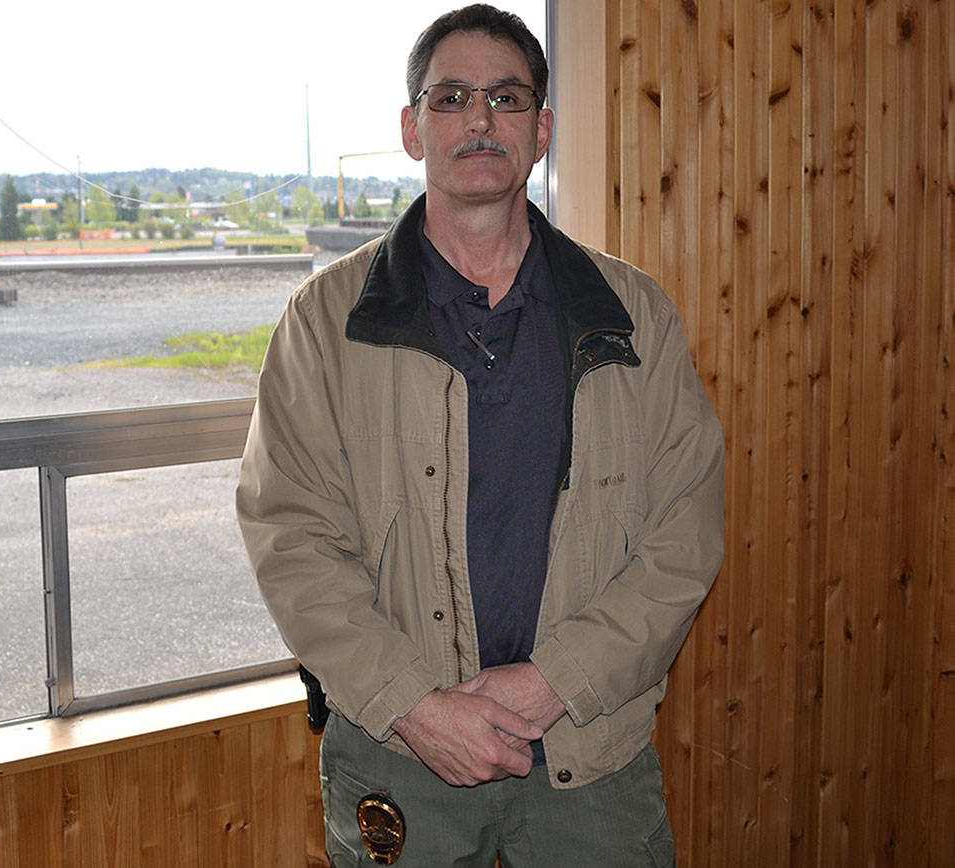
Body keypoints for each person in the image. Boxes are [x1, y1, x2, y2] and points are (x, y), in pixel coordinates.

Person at [236, 4, 725, 865]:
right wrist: (417, 706)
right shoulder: (325, 323)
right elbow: (292, 540)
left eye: (505, 98)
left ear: (541, 131)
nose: (479, 119)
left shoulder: (631, 313)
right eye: (451, 95)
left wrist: (553, 685)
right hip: (401, 753)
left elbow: (684, 535)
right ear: (412, 128)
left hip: (589, 755)